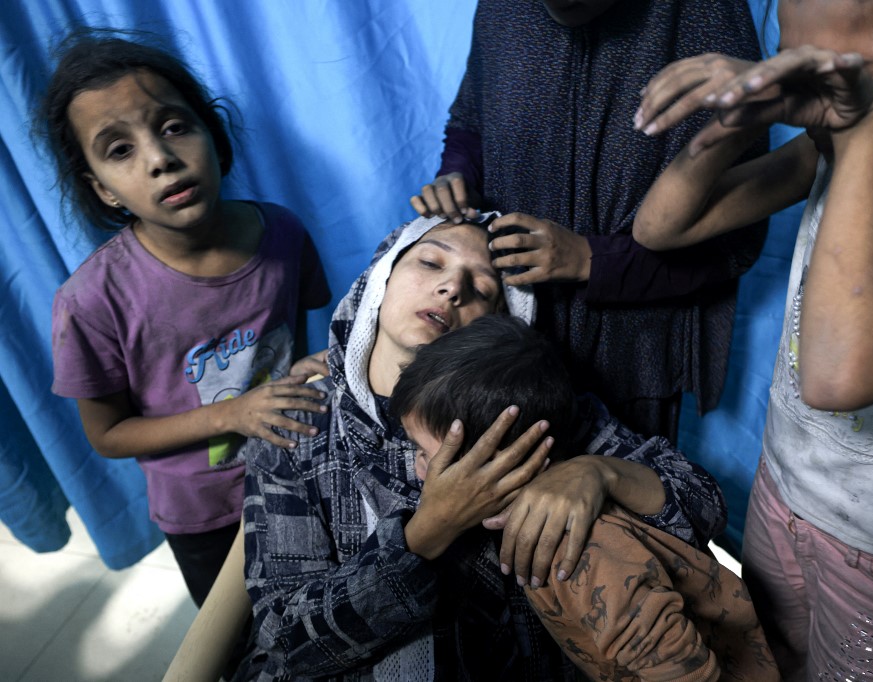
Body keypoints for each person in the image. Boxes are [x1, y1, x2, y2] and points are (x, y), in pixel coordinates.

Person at [631, 0, 873, 678]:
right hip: (781, 490)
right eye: (792, 63)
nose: (815, 93)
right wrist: (739, 116)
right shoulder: (834, 141)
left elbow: (840, 376)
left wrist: (862, 135)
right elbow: (661, 228)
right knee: (767, 661)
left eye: (846, 73)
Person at [237, 213, 728, 681]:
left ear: (499, 326)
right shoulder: (300, 426)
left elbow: (703, 503)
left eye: (484, 289)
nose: (453, 288)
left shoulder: (535, 414)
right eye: (430, 262)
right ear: (378, 280)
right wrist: (430, 530)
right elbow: (286, 641)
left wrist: (598, 473)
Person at [43, 31, 332, 608]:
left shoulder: (282, 233)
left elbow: (290, 355)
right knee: (244, 644)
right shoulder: (92, 301)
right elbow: (107, 435)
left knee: (320, 613)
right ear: (103, 189)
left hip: (298, 474)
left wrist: (309, 379)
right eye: (119, 149)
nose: (159, 159)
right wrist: (235, 412)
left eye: (174, 126)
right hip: (204, 517)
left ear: (212, 135)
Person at [409, 0, 769, 439]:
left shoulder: (705, 13)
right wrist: (457, 173)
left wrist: (590, 260)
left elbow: (733, 242)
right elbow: (471, 119)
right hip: (497, 332)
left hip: (630, 351)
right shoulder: (500, 9)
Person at [390, 313, 780, 682]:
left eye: (427, 453)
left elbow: (683, 669)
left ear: (505, 462)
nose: (418, 466)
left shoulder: (577, 551)